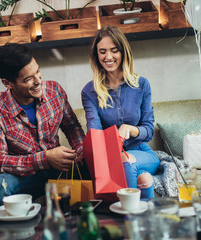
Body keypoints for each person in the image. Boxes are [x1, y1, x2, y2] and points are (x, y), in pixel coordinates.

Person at [0, 43, 85, 209]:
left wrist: (80, 152)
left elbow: (73, 128)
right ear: (8, 83)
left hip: (60, 171)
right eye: (28, 79)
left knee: (90, 164)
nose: (38, 81)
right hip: (23, 177)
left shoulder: (54, 91)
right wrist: (45, 158)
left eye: (37, 71)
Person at [81, 26, 159, 199]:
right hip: (110, 157)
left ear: (123, 52)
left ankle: (126, 218)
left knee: (128, 161)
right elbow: (94, 131)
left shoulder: (142, 84)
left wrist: (131, 129)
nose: (108, 57)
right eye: (102, 52)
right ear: (96, 56)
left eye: (114, 50)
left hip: (142, 153)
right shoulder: (89, 91)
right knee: (144, 179)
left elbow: (149, 129)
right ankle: (144, 222)